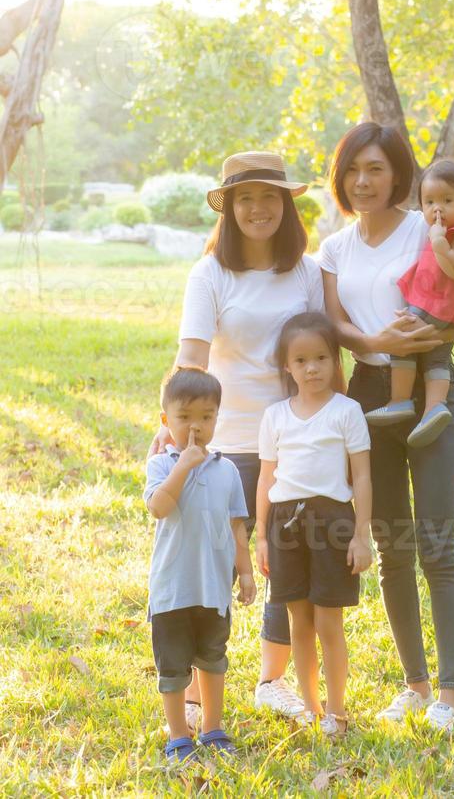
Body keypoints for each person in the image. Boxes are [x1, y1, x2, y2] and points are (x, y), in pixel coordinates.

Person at [318, 122, 454, 734]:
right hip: (369, 392)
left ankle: (451, 690)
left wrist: (423, 343)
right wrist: (375, 342)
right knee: (393, 544)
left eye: (377, 169)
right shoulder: (334, 248)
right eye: (353, 170)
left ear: (398, 175)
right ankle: (414, 683)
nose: (364, 181)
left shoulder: (428, 224)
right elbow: (334, 326)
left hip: (429, 391)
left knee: (438, 541)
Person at [149, 151, 324, 729]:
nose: (258, 209)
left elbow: (323, 350)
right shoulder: (209, 274)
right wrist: (169, 426)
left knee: (287, 563)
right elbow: (192, 357)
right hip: (221, 442)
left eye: (269, 197)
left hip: (295, 439)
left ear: (286, 205)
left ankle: (271, 681)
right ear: (228, 208)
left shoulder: (305, 271)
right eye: (245, 198)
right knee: (213, 559)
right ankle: (198, 692)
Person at [255, 312, 372, 735]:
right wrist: (262, 539)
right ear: (287, 366)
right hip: (284, 524)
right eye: (301, 360)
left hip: (333, 521)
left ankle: (337, 712)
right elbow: (267, 478)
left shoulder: (347, 411)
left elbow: (361, 476)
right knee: (298, 622)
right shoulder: (275, 417)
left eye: (321, 358)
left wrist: (362, 535)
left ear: (336, 361)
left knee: (328, 621)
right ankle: (311, 707)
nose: (312, 368)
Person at [144, 367, 256, 764]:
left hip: (213, 588)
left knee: (212, 659)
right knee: (173, 667)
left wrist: (245, 572)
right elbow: (159, 507)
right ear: (166, 421)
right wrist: (183, 466)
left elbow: (237, 526)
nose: (196, 426)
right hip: (172, 589)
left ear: (216, 418)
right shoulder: (161, 465)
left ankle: (212, 727)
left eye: (206, 417)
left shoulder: (227, 470)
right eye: (185, 417)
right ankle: (178, 734)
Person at [365, 159, 454, 449]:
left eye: (447, 200)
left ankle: (399, 400)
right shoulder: (438, 229)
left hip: (441, 306)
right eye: (429, 202)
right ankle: (434, 409)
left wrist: (441, 243)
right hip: (438, 305)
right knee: (436, 358)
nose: (437, 209)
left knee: (403, 336)